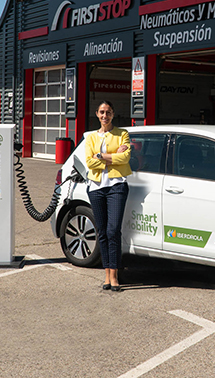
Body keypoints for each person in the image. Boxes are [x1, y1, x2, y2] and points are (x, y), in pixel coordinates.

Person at [85, 100, 132, 292]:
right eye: (102, 112)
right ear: (97, 114)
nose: (105, 116)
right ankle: (106, 274)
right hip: (96, 187)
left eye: (109, 112)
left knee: (114, 230)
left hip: (116, 186)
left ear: (113, 114)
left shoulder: (122, 134)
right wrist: (112, 157)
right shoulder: (90, 138)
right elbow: (89, 162)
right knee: (102, 232)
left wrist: (101, 156)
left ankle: (115, 275)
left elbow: (126, 158)